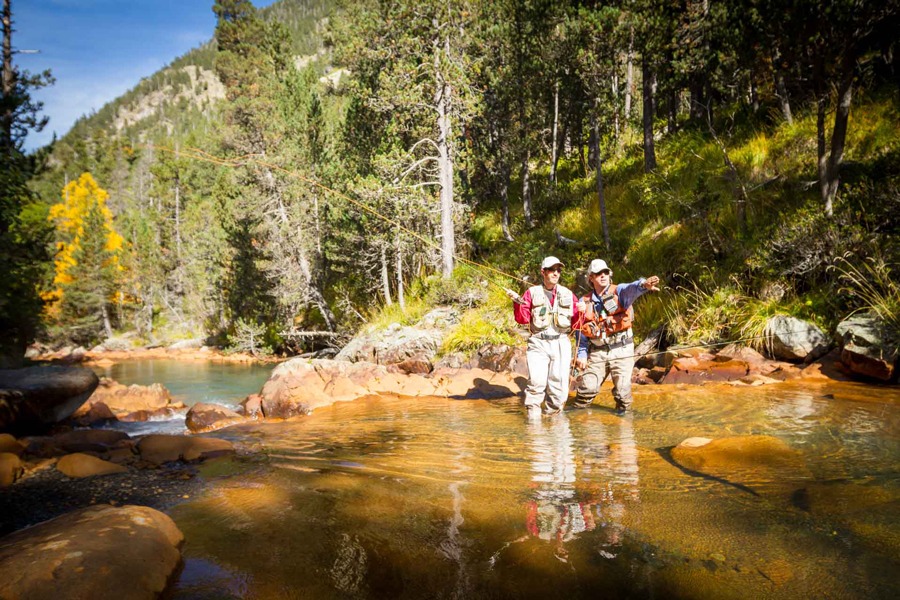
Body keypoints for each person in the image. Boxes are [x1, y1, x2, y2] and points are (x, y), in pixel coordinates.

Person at [572, 259, 659, 415]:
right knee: (586, 391)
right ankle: (580, 425)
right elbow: (581, 332)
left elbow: (633, 288)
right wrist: (582, 354)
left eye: (606, 272)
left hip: (622, 349)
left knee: (622, 394)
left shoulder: (620, 292)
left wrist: (644, 284)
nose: (603, 276)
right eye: (598, 273)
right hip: (597, 351)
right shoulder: (583, 302)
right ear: (591, 278)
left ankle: (623, 430)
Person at [506, 256, 581, 420]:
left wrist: (583, 311)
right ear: (543, 272)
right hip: (538, 342)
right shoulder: (531, 293)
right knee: (537, 383)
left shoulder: (568, 294)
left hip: (561, 342)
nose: (556, 273)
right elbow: (523, 319)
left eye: (558, 270)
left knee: (559, 386)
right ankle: (534, 425)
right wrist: (517, 303)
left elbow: (578, 323)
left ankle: (554, 421)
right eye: (552, 270)